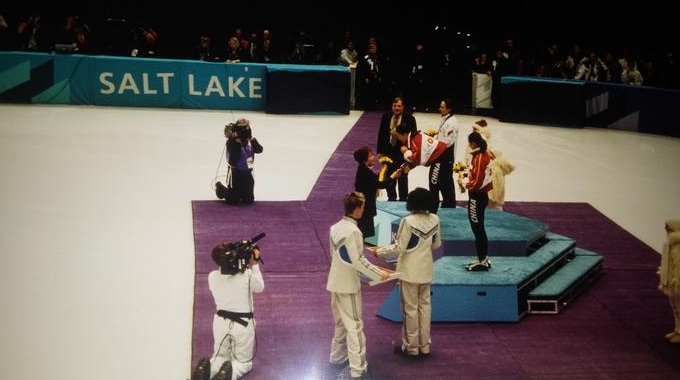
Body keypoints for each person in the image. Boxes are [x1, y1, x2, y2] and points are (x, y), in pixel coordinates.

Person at [326, 191, 392, 380]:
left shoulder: (335, 228)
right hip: (348, 285)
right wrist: (380, 273)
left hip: (335, 281)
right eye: (362, 207)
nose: (364, 209)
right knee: (354, 326)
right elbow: (358, 260)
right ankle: (358, 369)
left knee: (340, 323)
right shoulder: (354, 231)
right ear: (356, 209)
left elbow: (336, 256)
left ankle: (337, 357)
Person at [371, 187, 441, 358]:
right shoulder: (435, 219)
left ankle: (411, 347)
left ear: (412, 202)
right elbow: (436, 244)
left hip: (409, 271)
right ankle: (424, 346)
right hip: (426, 270)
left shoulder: (408, 221)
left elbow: (399, 247)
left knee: (410, 309)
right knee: (425, 308)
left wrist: (379, 252)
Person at [207, 238, 264, 380]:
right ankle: (229, 374)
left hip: (220, 323)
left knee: (219, 357)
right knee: (243, 362)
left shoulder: (212, 277)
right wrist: (255, 264)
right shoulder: (247, 276)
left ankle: (207, 370)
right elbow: (260, 287)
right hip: (242, 325)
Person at [394, 122, 449, 213]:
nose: (399, 139)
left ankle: (433, 212)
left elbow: (418, 159)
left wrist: (405, 152)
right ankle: (435, 210)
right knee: (437, 184)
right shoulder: (414, 138)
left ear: (404, 134)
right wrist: (406, 166)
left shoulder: (415, 140)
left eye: (399, 136)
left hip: (441, 158)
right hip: (441, 157)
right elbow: (417, 159)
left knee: (434, 185)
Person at [459, 131, 493, 271]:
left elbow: (478, 180)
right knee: (479, 228)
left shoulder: (479, 157)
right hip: (481, 196)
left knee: (477, 229)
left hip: (476, 197)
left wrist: (465, 183)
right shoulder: (483, 154)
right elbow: (476, 174)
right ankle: (483, 257)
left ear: (473, 143)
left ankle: (482, 260)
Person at [353, 146, 402, 240]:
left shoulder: (363, 169)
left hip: (363, 206)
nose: (373, 157)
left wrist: (384, 171)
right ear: (365, 159)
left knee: (362, 234)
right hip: (365, 208)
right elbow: (380, 185)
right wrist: (392, 176)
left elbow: (374, 181)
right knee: (362, 234)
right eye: (370, 156)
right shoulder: (365, 172)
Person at [376, 96, 417, 202]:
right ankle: (391, 198)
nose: (396, 108)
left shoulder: (410, 119)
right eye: (394, 106)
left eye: (399, 106)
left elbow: (413, 138)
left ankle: (403, 199)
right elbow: (381, 134)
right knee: (390, 176)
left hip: (403, 153)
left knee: (403, 177)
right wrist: (380, 151)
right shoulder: (386, 117)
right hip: (389, 153)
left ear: (403, 107)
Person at [224, 119, 263, 205]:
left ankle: (240, 193)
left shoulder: (249, 141)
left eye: (247, 129)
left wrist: (252, 139)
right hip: (235, 174)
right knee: (233, 201)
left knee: (248, 201)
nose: (245, 132)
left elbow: (260, 150)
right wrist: (237, 144)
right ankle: (221, 190)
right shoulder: (232, 142)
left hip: (247, 173)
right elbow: (232, 161)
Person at [429, 98, 459, 209]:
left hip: (444, 158)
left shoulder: (452, 122)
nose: (439, 109)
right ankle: (447, 204)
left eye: (442, 107)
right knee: (444, 183)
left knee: (438, 182)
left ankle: (439, 205)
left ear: (449, 109)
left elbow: (448, 141)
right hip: (440, 156)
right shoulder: (446, 119)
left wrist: (433, 145)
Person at [658, 218, 680, 344]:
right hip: (671, 280)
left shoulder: (677, 246)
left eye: (668, 227)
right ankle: (677, 329)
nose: (666, 229)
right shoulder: (670, 242)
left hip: (676, 281)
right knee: (675, 306)